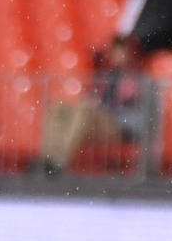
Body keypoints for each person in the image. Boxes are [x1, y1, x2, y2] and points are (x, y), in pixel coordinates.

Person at [39, 37, 154, 174]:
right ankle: (47, 157)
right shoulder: (104, 75)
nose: (118, 57)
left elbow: (137, 112)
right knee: (58, 107)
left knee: (85, 109)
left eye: (122, 53)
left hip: (120, 125)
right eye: (116, 52)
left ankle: (60, 159)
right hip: (99, 119)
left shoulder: (137, 78)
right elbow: (93, 98)